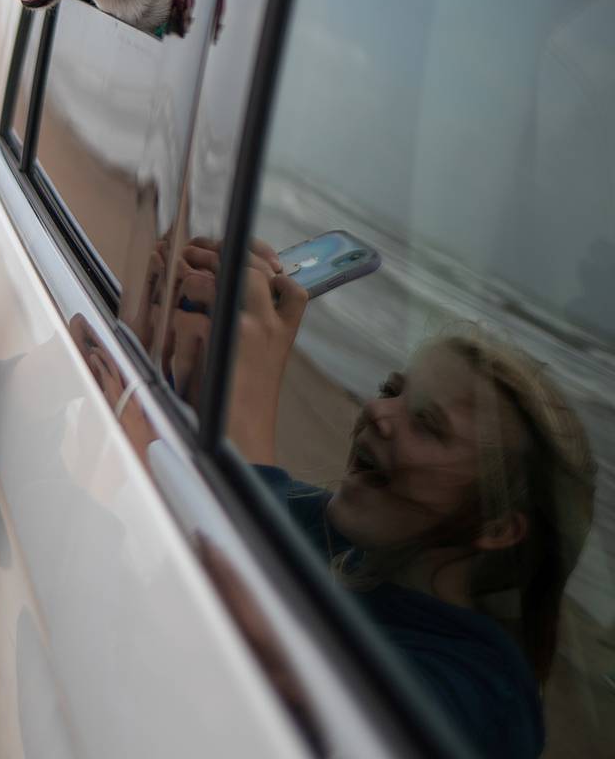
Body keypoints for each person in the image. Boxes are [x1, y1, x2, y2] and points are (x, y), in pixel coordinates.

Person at [163, 237, 595, 759]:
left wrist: (246, 411)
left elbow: (303, 686)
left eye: (429, 426)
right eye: (391, 390)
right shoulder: (322, 528)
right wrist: (173, 337)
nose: (377, 412)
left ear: (500, 527)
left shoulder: (484, 694)